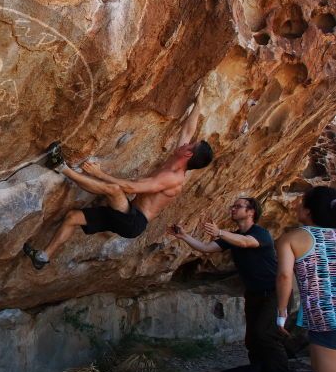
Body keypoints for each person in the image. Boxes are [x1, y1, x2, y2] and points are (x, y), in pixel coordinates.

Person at [22, 108, 213, 270]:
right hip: (127, 213)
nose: (187, 141)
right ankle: (43, 257)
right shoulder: (178, 158)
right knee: (73, 217)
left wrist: (99, 173)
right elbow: (188, 129)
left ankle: (60, 166)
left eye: (191, 144)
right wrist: (199, 101)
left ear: (188, 153)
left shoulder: (172, 179)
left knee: (114, 189)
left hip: (134, 222)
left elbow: (131, 187)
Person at [167, 197, 289, 372]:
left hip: (273, 293)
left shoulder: (260, 233)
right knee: (252, 340)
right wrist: (184, 236)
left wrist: (220, 233)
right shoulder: (232, 236)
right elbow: (206, 248)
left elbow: (246, 242)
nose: (233, 209)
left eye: (238, 206)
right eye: (233, 206)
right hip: (253, 293)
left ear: (251, 212)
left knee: (265, 336)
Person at [275, 186, 336, 372]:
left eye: (300, 204)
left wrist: (281, 312)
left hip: (325, 320)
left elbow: (285, 276)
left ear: (309, 211)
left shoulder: (293, 238)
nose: (297, 208)